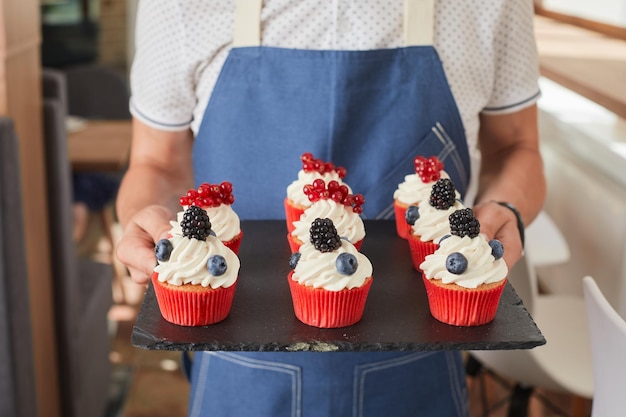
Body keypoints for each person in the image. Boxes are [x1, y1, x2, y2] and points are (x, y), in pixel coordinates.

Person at [116, 0, 546, 415]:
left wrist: (506, 207)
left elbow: (517, 145)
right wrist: (145, 219)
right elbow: (156, 160)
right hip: (236, 371)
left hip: (422, 364)